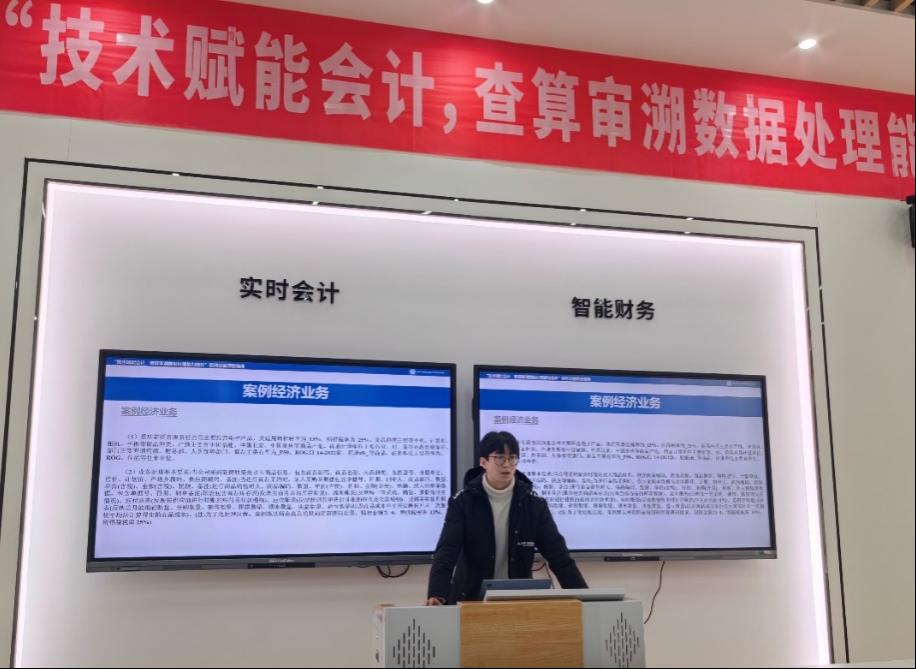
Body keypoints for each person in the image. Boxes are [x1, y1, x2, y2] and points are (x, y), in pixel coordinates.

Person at [426, 430, 587, 605]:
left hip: (518, 599)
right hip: (471, 597)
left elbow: (558, 555)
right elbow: (447, 551)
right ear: (483, 462)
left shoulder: (533, 504)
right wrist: (437, 593)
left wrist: (584, 597)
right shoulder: (463, 502)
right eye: (500, 457)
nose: (507, 464)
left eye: (512, 458)